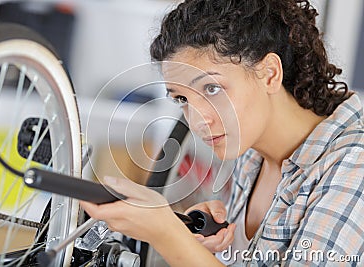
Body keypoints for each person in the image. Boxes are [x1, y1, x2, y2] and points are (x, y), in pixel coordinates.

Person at [81, 0, 364, 265]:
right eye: (182, 99)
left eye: (212, 89)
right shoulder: (254, 152)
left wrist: (168, 236)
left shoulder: (354, 166)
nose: (198, 120)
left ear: (270, 73)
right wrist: (205, 244)